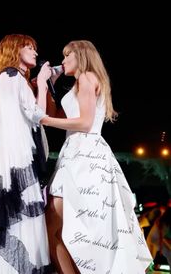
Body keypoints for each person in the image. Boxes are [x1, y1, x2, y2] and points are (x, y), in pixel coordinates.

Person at [40, 40, 153, 273]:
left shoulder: (87, 78)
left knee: (57, 227)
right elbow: (58, 114)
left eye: (67, 56)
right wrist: (49, 85)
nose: (62, 61)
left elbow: (84, 123)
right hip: (74, 154)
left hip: (85, 156)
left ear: (80, 56)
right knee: (54, 228)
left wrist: (45, 121)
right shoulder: (78, 84)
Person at [0, 34, 53, 274]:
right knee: (23, 225)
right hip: (17, 165)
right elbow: (37, 116)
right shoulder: (13, 78)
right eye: (29, 47)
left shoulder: (6, 79)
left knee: (6, 227)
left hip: (3, 167)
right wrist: (41, 82)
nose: (35, 52)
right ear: (15, 50)